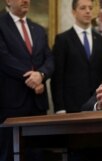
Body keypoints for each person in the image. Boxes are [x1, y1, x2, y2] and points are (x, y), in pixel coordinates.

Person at [0, 0, 54, 160]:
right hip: (11, 105)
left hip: (37, 105)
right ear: (8, 1)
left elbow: (50, 59)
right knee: (9, 155)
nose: (26, 0)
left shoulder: (38, 29)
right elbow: (3, 58)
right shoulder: (1, 25)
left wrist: (41, 75)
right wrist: (33, 77)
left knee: (38, 154)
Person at [51, 0, 102, 114]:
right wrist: (59, 108)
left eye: (90, 8)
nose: (88, 11)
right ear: (74, 12)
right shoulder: (63, 40)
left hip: (98, 105)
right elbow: (57, 78)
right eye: (83, 8)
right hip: (71, 107)